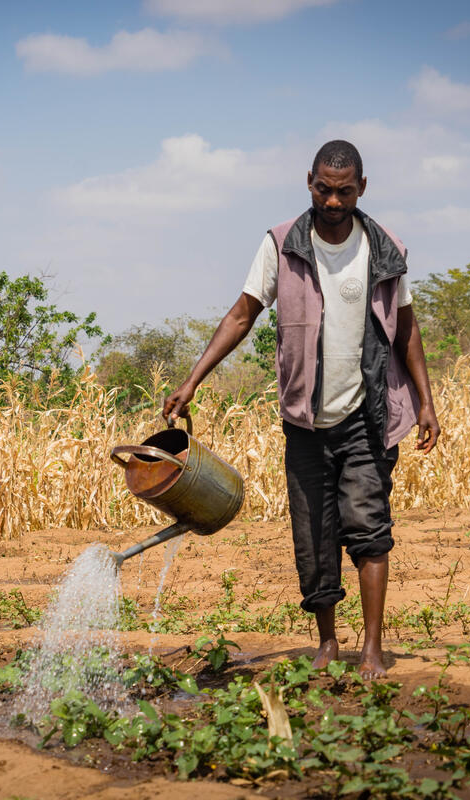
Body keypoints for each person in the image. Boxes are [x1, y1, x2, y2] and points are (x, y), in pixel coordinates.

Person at [162, 139, 440, 680]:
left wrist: (427, 401)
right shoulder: (282, 244)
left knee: (368, 527)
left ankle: (373, 647)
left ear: (362, 187)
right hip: (305, 421)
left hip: (367, 415)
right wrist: (192, 381)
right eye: (323, 189)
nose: (332, 201)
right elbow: (242, 315)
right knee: (313, 536)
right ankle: (329, 642)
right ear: (308, 181)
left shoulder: (384, 250)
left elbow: (406, 327)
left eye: (343, 191)